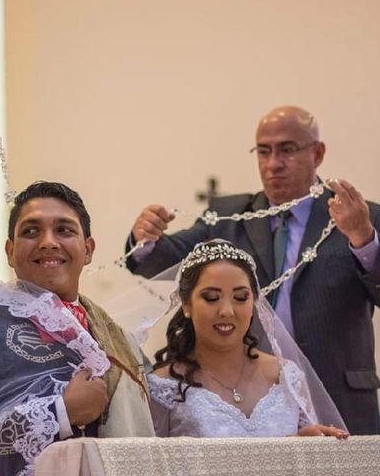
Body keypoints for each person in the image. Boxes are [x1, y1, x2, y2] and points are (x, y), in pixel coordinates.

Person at [126, 106, 380, 435]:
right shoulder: (231, 215)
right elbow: (160, 259)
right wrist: (143, 237)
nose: (273, 163)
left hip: (341, 394)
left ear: (317, 153)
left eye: (287, 149)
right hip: (251, 389)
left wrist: (363, 239)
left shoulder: (360, 215)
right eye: (264, 151)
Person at [0, 182, 154, 476]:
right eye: (31, 231)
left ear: (88, 250)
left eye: (64, 230)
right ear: (10, 251)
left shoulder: (120, 338)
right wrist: (61, 411)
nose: (48, 242)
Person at [146, 240, 348, 438]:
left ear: (254, 303)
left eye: (241, 298)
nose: (227, 311)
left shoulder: (286, 376)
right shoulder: (164, 386)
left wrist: (310, 443)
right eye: (211, 298)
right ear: (186, 305)